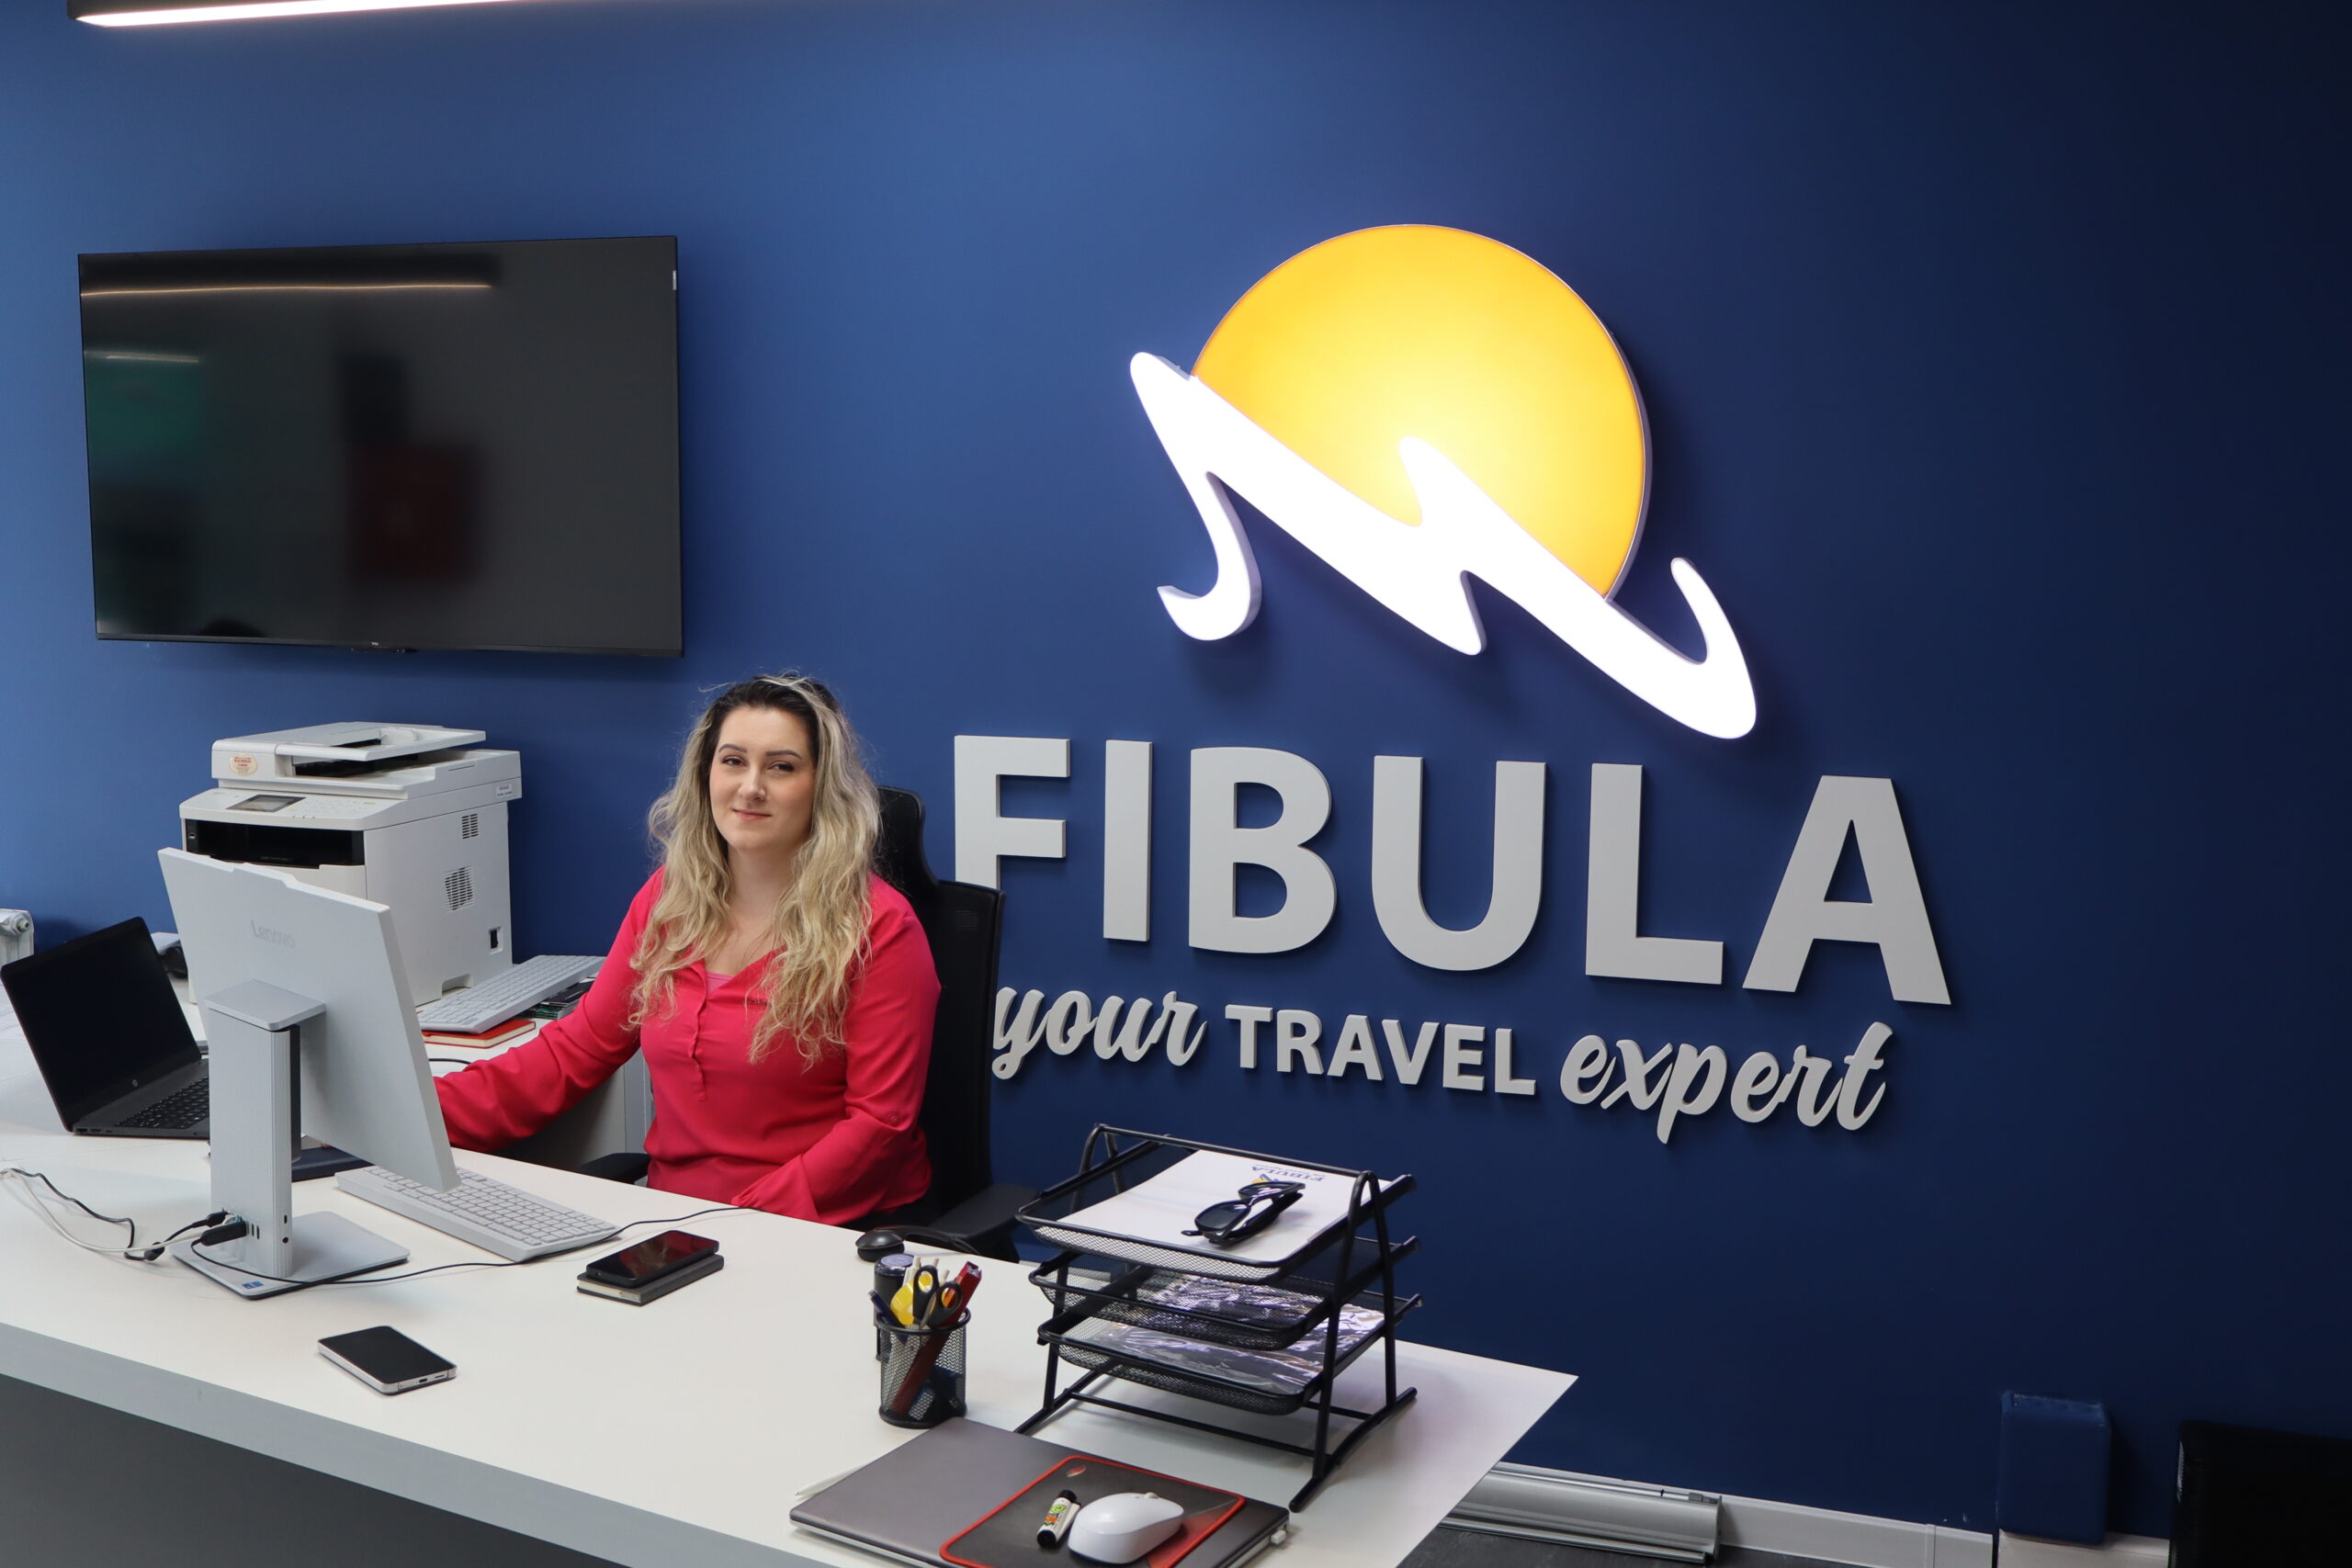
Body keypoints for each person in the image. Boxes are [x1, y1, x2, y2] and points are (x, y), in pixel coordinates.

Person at [435, 674, 938, 1225]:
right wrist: (418, 1114)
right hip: (675, 1219)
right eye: (733, 761)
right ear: (705, 774)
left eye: (781, 767)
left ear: (822, 787)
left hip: (817, 1228)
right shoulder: (670, 901)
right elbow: (578, 1049)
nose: (751, 787)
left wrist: (739, 1224)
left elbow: (879, 1124)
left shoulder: (879, 928)